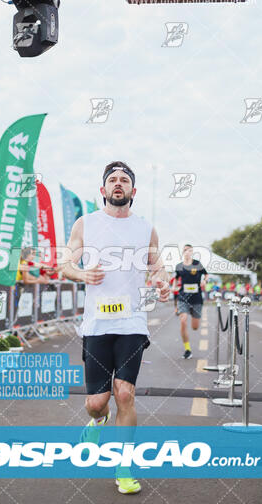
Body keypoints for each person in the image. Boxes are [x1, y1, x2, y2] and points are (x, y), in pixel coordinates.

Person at [60, 161, 170, 495]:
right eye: (112, 179)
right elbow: (65, 264)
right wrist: (81, 274)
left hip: (132, 322)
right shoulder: (86, 224)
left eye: (124, 180)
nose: (118, 183)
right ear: (103, 190)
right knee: (97, 402)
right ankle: (98, 420)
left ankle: (124, 467)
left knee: (125, 393)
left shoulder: (145, 227)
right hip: (97, 323)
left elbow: (157, 265)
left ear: (133, 191)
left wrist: (163, 282)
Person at [175, 244, 207, 360]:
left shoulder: (197, 264)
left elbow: (206, 274)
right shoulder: (179, 266)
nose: (187, 252)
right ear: (183, 252)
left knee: (195, 327)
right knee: (183, 321)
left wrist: (204, 281)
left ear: (192, 252)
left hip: (196, 299)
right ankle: (187, 349)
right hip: (183, 297)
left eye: (189, 250)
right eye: (185, 250)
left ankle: (195, 319)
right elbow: (176, 278)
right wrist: (174, 287)